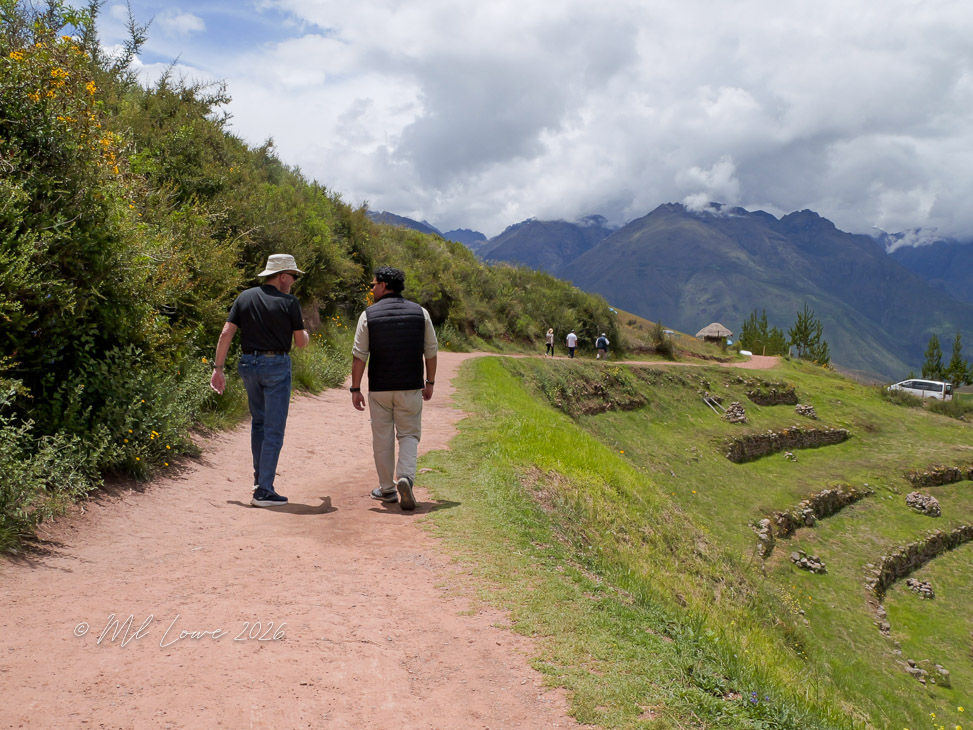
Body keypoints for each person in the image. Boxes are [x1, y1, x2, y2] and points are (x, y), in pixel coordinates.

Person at [210, 254, 310, 507]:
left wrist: (218, 368)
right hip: (275, 365)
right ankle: (264, 490)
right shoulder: (289, 302)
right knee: (274, 428)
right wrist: (306, 332)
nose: (294, 282)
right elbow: (300, 343)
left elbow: (226, 333)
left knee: (259, 423)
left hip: (247, 365)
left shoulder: (245, 297)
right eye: (293, 277)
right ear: (283, 276)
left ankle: (259, 481)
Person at [350, 267, 438, 510]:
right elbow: (431, 351)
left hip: (380, 387)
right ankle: (406, 478)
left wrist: (355, 388)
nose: (372, 289)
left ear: (384, 285)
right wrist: (430, 382)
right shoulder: (421, 313)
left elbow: (360, 355)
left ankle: (387, 489)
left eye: (373, 284)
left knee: (383, 438)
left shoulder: (368, 315)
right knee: (409, 434)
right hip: (410, 386)